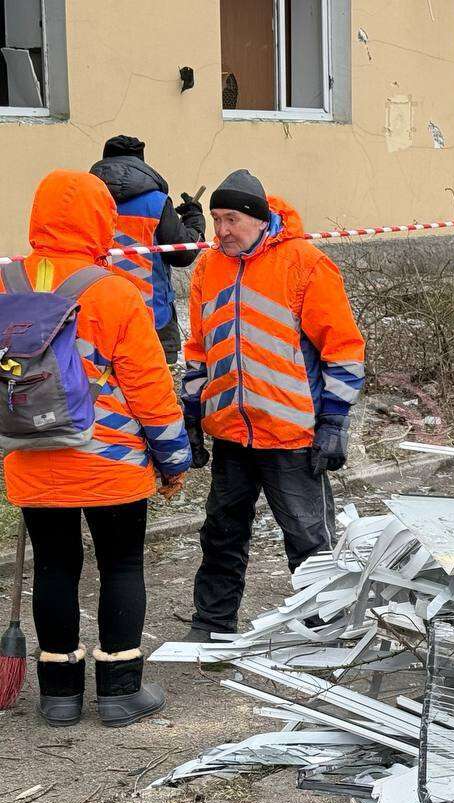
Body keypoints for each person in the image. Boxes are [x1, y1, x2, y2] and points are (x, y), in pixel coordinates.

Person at [0, 171, 191, 727]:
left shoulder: (7, 287)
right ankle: (118, 690)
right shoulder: (113, 291)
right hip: (111, 463)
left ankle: (59, 694)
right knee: (121, 564)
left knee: (55, 568)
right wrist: (173, 460)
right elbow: (152, 392)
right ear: (99, 220)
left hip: (32, 456)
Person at [181, 170, 365, 643]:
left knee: (310, 541)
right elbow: (199, 346)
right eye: (216, 219)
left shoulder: (305, 264)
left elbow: (343, 350)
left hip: (293, 435)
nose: (221, 230)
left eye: (232, 219)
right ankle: (213, 627)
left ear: (261, 220)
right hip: (231, 434)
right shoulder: (208, 267)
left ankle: (326, 630)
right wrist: (194, 409)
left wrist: (332, 423)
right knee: (221, 535)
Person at [89, 135, 206, 363]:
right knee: (155, 392)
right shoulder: (156, 202)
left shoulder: (86, 201)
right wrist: (194, 218)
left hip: (97, 319)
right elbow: (183, 253)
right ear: (141, 163)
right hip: (153, 319)